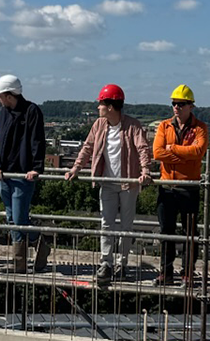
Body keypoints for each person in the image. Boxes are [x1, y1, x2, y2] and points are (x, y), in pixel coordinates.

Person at [65, 84, 154, 282]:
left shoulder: (133, 126)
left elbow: (143, 149)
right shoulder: (99, 125)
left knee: (126, 227)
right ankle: (106, 263)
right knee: (106, 224)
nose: (98, 108)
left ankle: (122, 264)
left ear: (111, 107)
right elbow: (87, 148)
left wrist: (146, 171)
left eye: (101, 104)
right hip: (106, 183)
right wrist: (75, 169)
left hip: (128, 183)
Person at [0, 75, 50, 274]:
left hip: (22, 174)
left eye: (0, 96)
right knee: (11, 217)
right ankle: (39, 244)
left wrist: (36, 168)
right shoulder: (3, 113)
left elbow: (37, 141)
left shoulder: (31, 111)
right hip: (4, 173)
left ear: (9, 95)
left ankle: (20, 262)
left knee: (19, 218)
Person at [152, 84, 208, 286]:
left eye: (181, 104)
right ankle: (165, 273)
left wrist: (173, 149)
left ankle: (188, 273)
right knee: (166, 232)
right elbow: (158, 153)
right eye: (174, 103)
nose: (176, 107)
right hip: (167, 187)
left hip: (189, 188)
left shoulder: (200, 128)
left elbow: (198, 152)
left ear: (190, 106)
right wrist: (185, 154)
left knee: (189, 234)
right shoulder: (163, 126)